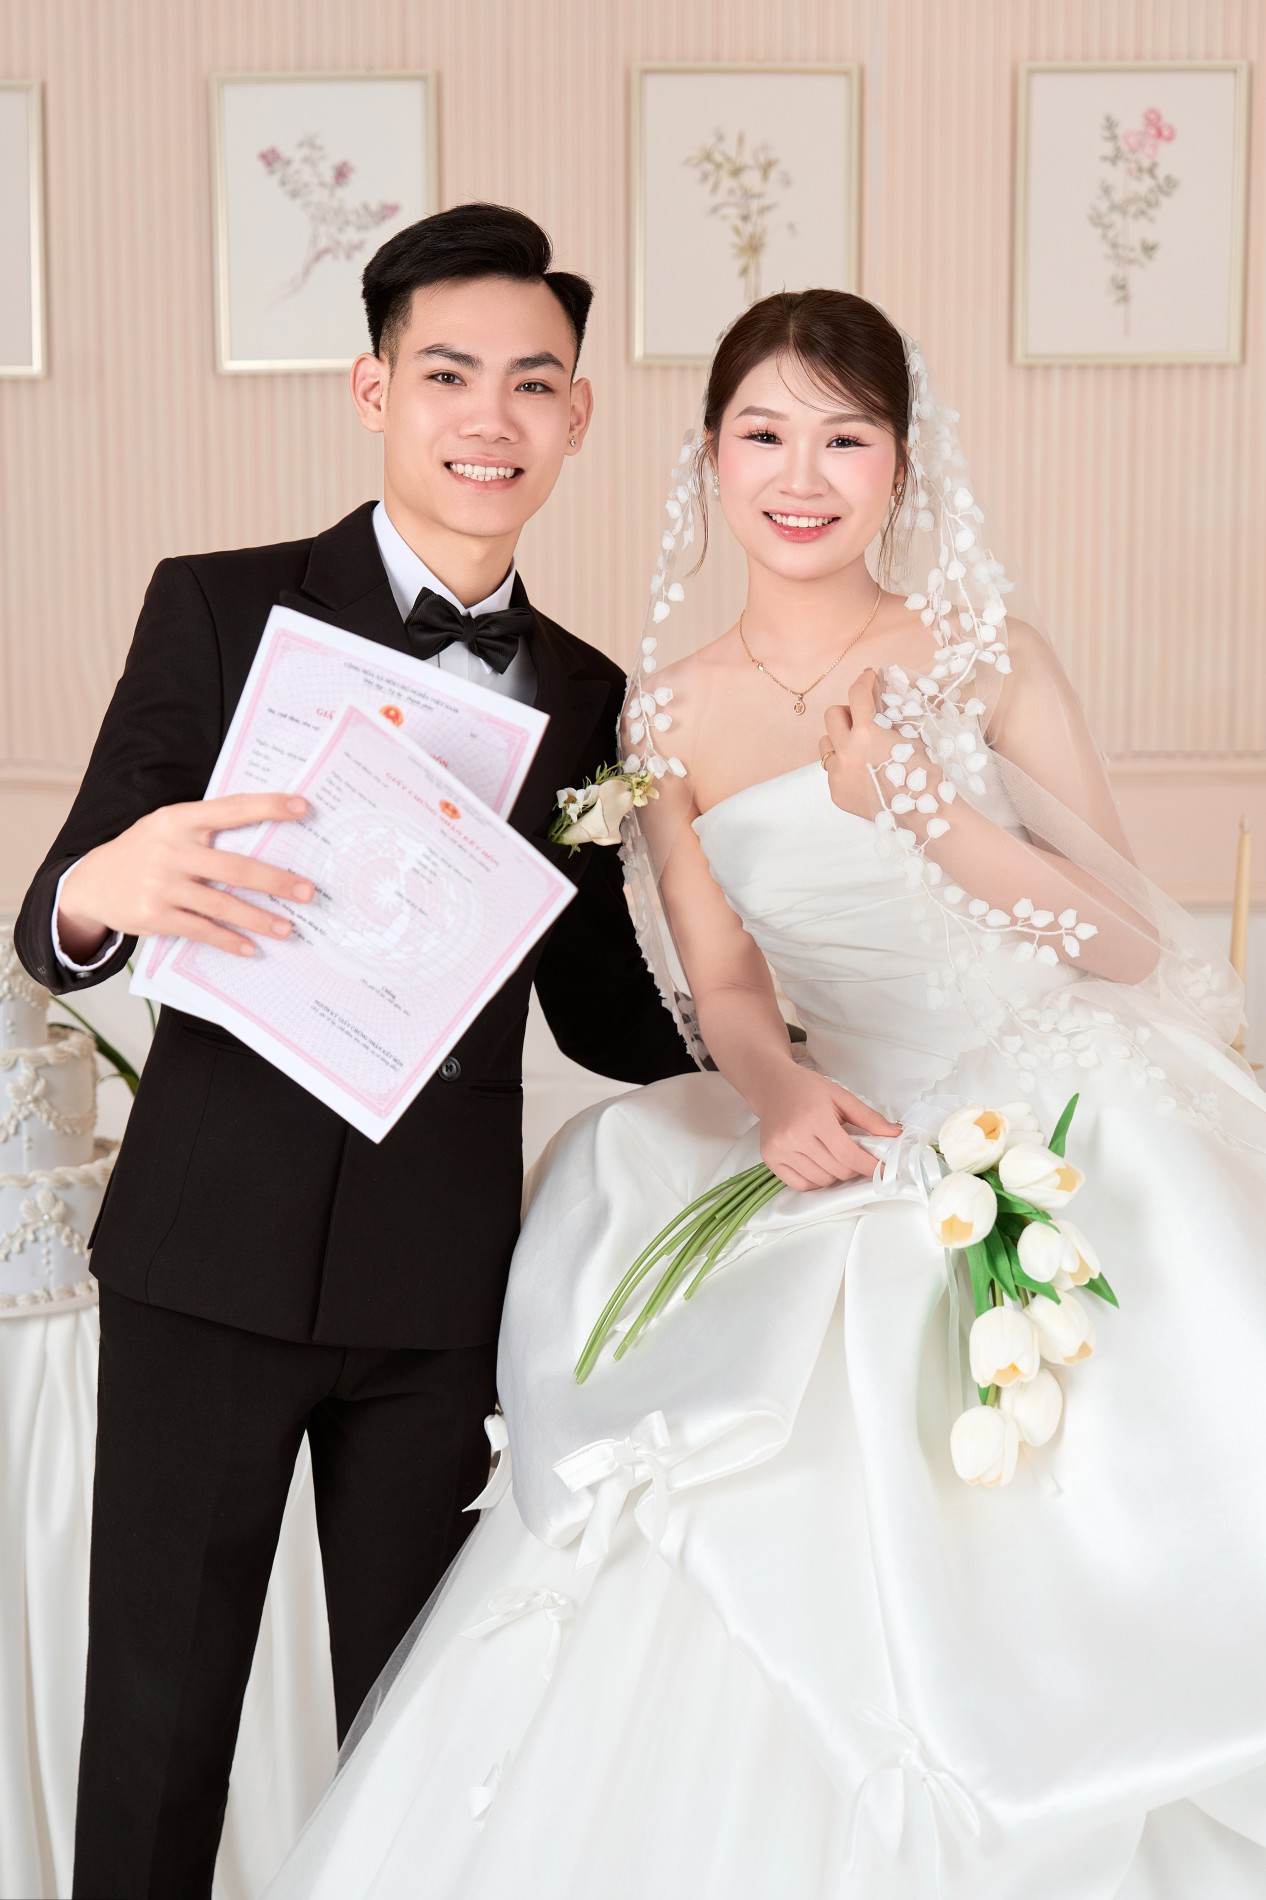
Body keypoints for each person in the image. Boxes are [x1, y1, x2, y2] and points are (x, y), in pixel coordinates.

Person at [264, 291, 1266, 1900]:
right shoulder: (661, 714)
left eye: (843, 439)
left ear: (899, 466)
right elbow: (723, 981)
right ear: (709, 458)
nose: (801, 476)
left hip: (1050, 1106)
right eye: (764, 434)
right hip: (832, 1126)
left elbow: (1129, 942)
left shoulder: (987, 658)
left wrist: (929, 813)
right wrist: (778, 1087)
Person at [13, 202, 691, 1900]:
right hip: (204, 1261)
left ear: (576, 415)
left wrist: (784, 1023)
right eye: (447, 374)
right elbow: (58, 904)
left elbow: (599, 1003)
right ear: (372, 390)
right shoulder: (217, 605)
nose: (489, 416)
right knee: (159, 1730)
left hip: (437, 1291)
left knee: (420, 1747)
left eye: (530, 383)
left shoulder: (594, 692)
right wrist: (103, 890)